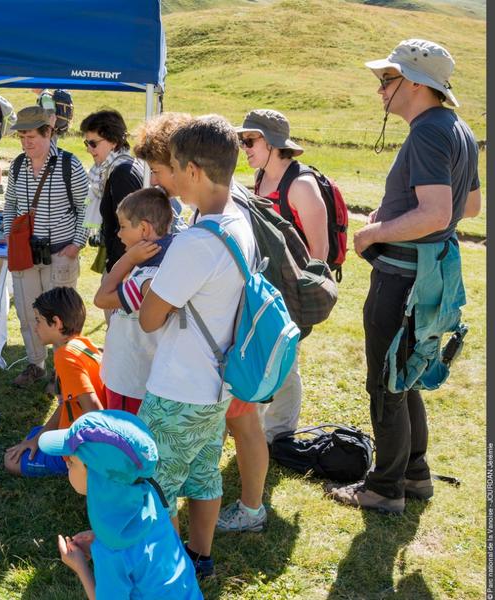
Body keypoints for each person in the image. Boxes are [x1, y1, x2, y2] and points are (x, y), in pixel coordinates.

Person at [326, 39, 481, 514]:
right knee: (407, 374)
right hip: (428, 274)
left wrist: (375, 231)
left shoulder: (428, 133)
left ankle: (384, 488)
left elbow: (435, 212)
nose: (380, 90)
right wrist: (395, 213)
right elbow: (469, 207)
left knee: (387, 381)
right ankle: (414, 475)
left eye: (386, 79)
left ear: (415, 82)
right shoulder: (456, 127)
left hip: (403, 277)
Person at [138, 115, 257, 579]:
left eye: (173, 167)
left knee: (157, 482)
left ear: (192, 170)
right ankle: (200, 558)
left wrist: (152, 285)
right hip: (217, 384)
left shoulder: (195, 242)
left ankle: (163, 572)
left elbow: (150, 318)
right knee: (205, 474)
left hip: (178, 387)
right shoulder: (238, 221)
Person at [214, 109, 330, 533]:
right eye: (242, 142)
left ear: (274, 143)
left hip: (293, 296)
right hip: (266, 294)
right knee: (274, 365)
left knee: (287, 366)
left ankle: (279, 435)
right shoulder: (260, 181)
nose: (244, 150)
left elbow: (317, 257)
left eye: (250, 142)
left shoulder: (300, 185)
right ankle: (266, 434)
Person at [39, 410, 203, 599]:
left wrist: (80, 567)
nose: (66, 463)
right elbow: (144, 549)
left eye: (71, 461)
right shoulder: (148, 494)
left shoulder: (112, 548)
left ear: (98, 479)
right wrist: (95, 539)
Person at [3, 106, 89, 388]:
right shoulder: (17, 166)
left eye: (31, 137)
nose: (26, 143)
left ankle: (62, 371)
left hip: (61, 252)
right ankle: (35, 364)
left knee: (61, 318)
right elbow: (11, 205)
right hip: (26, 253)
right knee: (28, 313)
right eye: (22, 138)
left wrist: (76, 244)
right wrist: (9, 236)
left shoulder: (70, 164)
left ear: (48, 133)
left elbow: (87, 209)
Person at [4, 287, 104, 477]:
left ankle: (76, 465)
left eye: (39, 321)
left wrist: (88, 460)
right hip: (78, 432)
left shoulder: (66, 356)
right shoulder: (83, 344)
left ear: (56, 322)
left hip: (80, 446)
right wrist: (39, 438)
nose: (35, 327)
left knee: (11, 461)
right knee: (35, 435)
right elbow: (70, 402)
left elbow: (95, 411)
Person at [93, 188, 174, 415]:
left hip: (130, 382)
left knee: (124, 442)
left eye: (123, 226)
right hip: (133, 378)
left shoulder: (148, 274)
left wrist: (128, 258)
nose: (119, 234)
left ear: (144, 228)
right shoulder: (163, 259)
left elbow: (101, 298)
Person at [79, 110, 144, 277]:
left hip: (126, 267)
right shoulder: (114, 168)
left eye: (93, 143)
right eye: (86, 143)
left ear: (114, 142)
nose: (89, 149)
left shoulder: (122, 173)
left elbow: (131, 228)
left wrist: (118, 270)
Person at [132, 112, 196, 231]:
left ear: (177, 165)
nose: (153, 181)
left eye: (155, 171)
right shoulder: (204, 210)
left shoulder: (216, 215)